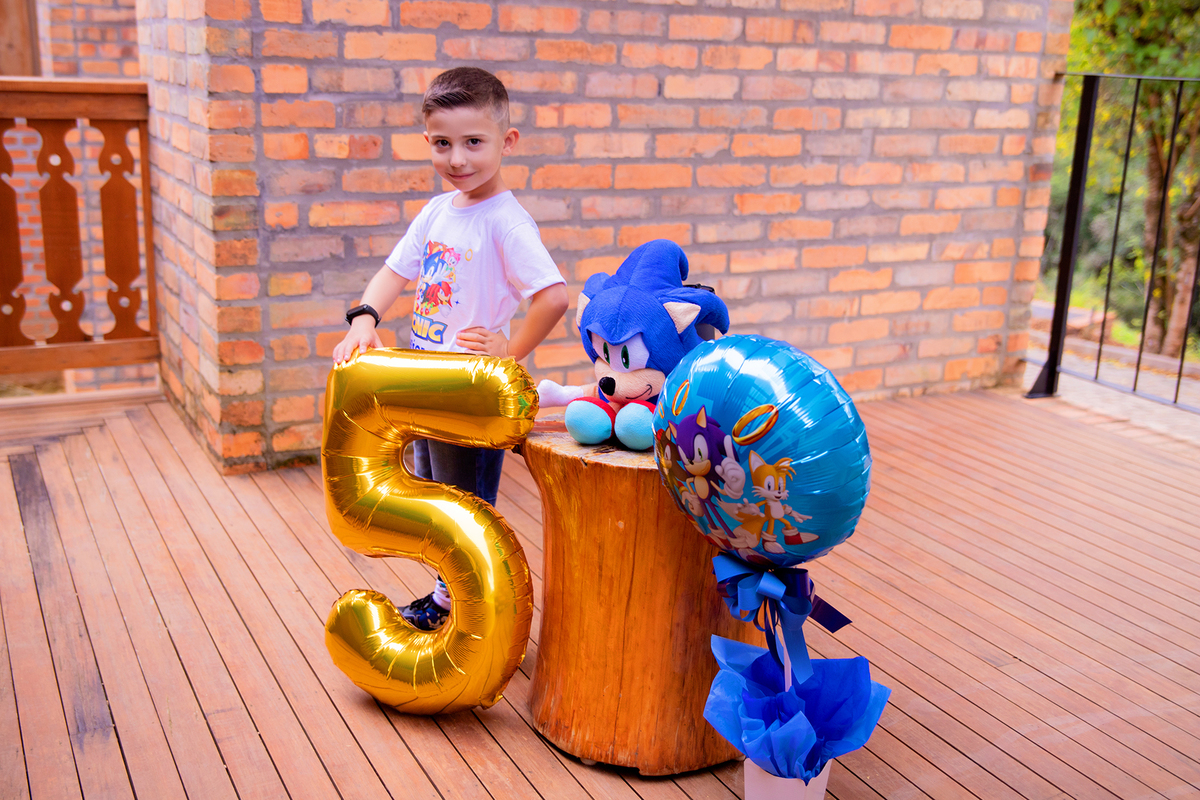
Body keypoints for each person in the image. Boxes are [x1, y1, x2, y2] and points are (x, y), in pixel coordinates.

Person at [332, 67, 569, 631]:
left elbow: (554, 296)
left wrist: (509, 348)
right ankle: (450, 592)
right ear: (428, 142)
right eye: (443, 144)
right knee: (434, 494)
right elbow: (394, 272)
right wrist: (364, 318)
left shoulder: (506, 223)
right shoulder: (438, 212)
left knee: (465, 503)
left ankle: (464, 605)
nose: (457, 158)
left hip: (468, 391)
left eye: (473, 143)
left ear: (506, 142)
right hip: (424, 387)